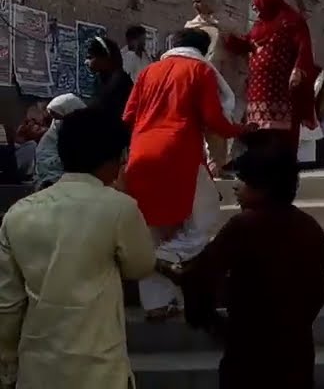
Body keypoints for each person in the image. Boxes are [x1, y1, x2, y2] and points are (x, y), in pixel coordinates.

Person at [0, 106, 155, 388]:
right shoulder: (119, 208)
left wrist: (7, 362)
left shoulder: (19, 213)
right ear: (115, 157)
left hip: (38, 366)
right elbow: (141, 265)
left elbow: (7, 304)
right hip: (99, 367)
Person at [164, 139, 324, 389]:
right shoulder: (309, 226)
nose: (236, 187)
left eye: (244, 180)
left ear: (266, 187)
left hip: (250, 343)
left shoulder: (245, 226)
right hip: (296, 344)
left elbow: (203, 273)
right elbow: (318, 287)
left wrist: (174, 272)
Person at [123, 28, 253, 321]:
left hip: (141, 151)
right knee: (203, 216)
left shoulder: (148, 72)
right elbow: (213, 119)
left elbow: (128, 117)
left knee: (155, 229)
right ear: (204, 51)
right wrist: (240, 130)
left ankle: (157, 304)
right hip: (179, 151)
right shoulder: (199, 70)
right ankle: (166, 258)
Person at [224, 0, 319, 157]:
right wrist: (225, 37)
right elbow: (248, 44)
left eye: (257, 6)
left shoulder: (292, 22)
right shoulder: (258, 27)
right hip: (258, 90)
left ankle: (282, 168)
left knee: (281, 134)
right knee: (259, 132)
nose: (255, 10)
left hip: (282, 87)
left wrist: (298, 70)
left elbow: (304, 48)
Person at [186, 0, 243, 175]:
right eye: (194, 1)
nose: (196, 5)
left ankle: (218, 164)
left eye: (200, 0)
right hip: (197, 78)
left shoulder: (228, 25)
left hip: (222, 80)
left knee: (218, 120)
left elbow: (242, 52)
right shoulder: (191, 26)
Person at [32, 94, 87, 189]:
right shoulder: (52, 135)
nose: (56, 122)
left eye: (60, 118)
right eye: (54, 118)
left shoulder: (90, 133)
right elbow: (43, 161)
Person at [84, 35, 134, 126]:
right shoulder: (100, 79)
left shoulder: (120, 82)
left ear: (105, 58)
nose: (86, 62)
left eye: (90, 57)